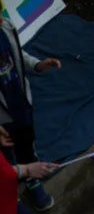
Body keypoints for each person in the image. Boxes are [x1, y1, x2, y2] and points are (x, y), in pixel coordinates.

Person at [0, 14, 60, 212]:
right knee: (6, 157)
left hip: (19, 103)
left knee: (26, 143)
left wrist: (37, 64)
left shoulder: (5, 26)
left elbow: (17, 53)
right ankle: (11, 193)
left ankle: (31, 179)